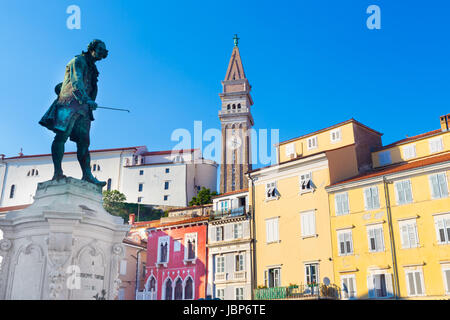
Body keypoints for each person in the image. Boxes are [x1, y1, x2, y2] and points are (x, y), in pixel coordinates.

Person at [39, 39, 109, 187]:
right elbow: (76, 81)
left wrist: (89, 102)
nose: (103, 53)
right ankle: (57, 172)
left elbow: (91, 87)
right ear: (92, 48)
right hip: (70, 104)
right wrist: (85, 99)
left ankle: (87, 175)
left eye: (104, 51)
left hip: (84, 108)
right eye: (101, 49)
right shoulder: (78, 61)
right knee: (61, 136)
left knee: (84, 142)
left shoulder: (93, 68)